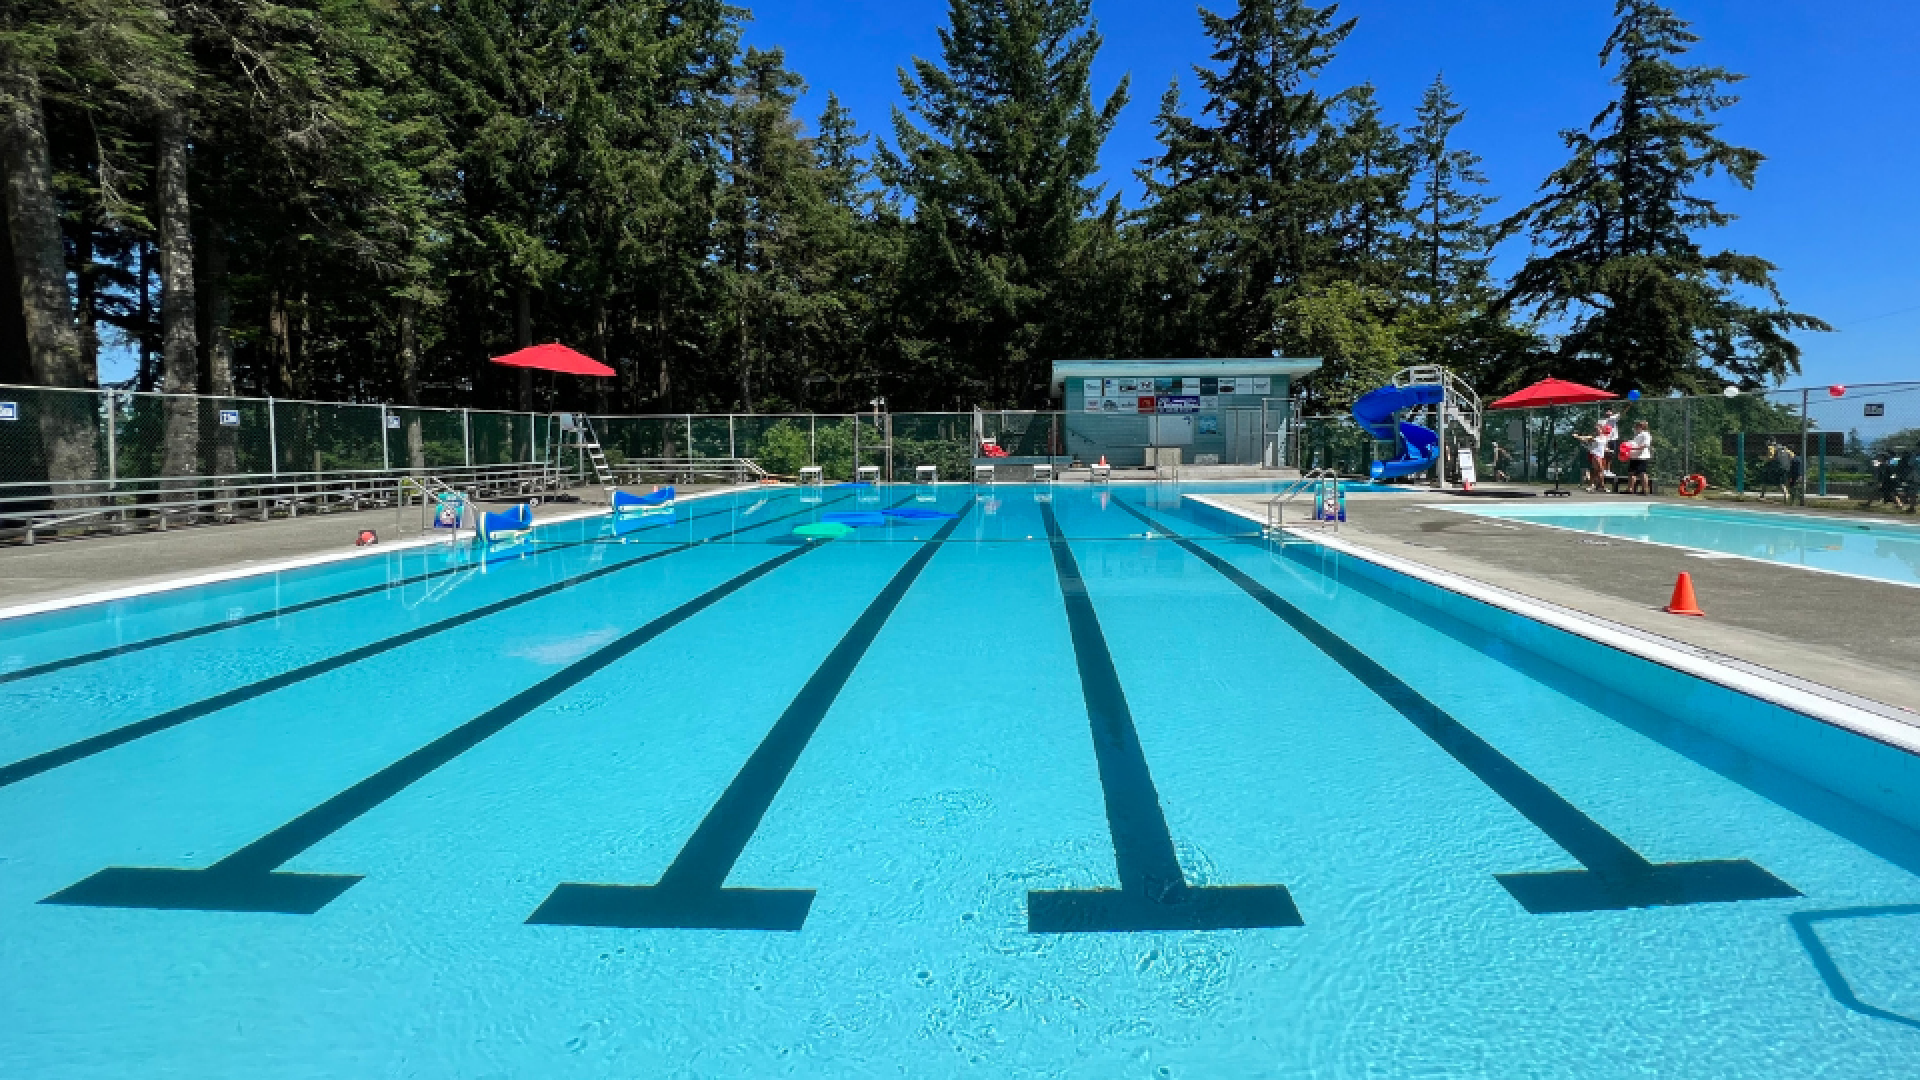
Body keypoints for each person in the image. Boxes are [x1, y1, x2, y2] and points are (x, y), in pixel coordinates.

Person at [1625, 420, 1653, 495]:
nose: (1636, 427)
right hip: (1634, 456)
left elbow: (1645, 445)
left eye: (1637, 426)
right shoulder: (1637, 435)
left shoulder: (1646, 434)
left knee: (1642, 473)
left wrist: (1634, 448)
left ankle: (1645, 490)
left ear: (1642, 427)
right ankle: (1630, 489)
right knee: (1631, 472)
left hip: (1642, 456)